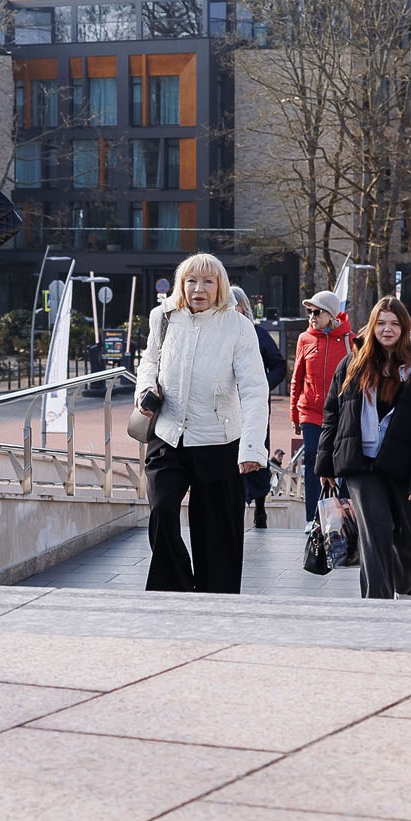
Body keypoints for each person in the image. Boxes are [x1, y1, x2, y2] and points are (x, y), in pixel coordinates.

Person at [130, 252, 268, 594]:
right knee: (162, 510)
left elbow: (254, 389)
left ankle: (215, 597)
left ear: (220, 286)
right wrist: (145, 390)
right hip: (168, 434)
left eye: (208, 281)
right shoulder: (162, 317)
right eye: (191, 281)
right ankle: (174, 589)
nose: (199, 288)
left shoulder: (238, 326)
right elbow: (149, 361)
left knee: (217, 531)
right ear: (181, 284)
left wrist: (252, 447)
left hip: (220, 440)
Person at [315, 296, 411, 599]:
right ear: (372, 327)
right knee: (375, 532)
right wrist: (325, 464)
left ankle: (405, 581)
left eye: (394, 324)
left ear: (404, 327)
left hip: (403, 465)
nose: (387, 330)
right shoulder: (352, 364)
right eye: (381, 323)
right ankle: (377, 605)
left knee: (408, 539)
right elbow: (332, 412)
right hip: (361, 464)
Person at [286, 291, 348, 530]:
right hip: (310, 411)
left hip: (340, 415)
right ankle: (312, 517)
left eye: (317, 312)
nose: (311, 316)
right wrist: (294, 413)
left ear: (331, 315)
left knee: (340, 463)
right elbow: (297, 378)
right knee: (313, 457)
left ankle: (341, 515)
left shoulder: (348, 340)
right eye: (309, 311)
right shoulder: (305, 339)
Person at [232, 289, 284, 530]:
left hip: (255, 408)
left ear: (244, 307)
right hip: (226, 410)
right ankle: (237, 505)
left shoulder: (259, 334)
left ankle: (260, 507)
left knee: (257, 456)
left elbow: (279, 366)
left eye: (235, 305)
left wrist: (263, 387)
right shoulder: (216, 337)